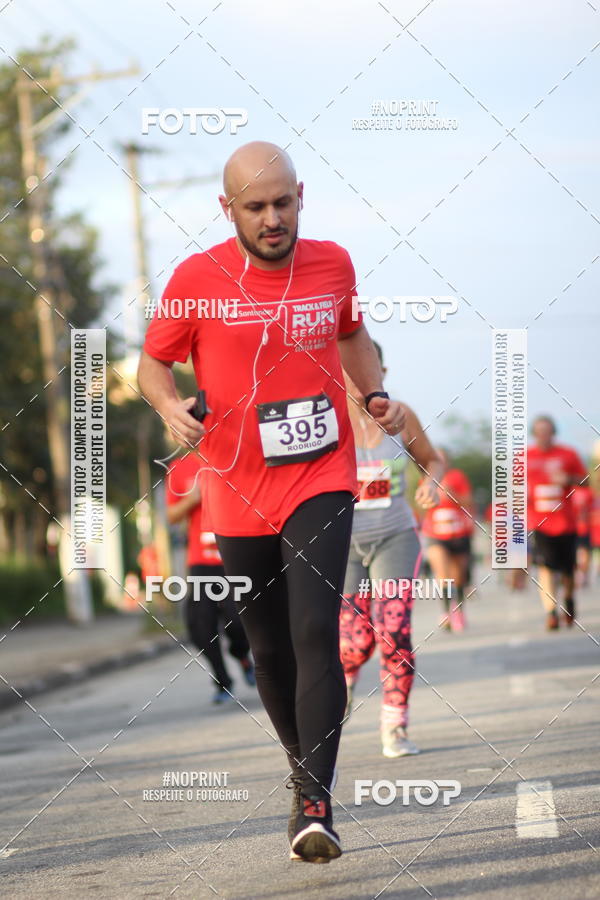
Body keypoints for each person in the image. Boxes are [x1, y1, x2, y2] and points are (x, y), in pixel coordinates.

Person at [137, 141, 406, 864]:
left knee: (317, 629)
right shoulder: (196, 278)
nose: (272, 217)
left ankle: (315, 803)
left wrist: (372, 391)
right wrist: (168, 408)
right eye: (255, 207)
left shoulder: (333, 264)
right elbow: (151, 364)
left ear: (300, 196)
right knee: (268, 649)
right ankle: (301, 774)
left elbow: (350, 333)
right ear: (226, 209)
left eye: (283, 202)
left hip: (320, 472)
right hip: (234, 484)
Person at [339, 342, 442, 757]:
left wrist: (430, 482)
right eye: (346, 372)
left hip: (395, 535)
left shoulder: (399, 416)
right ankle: (341, 687)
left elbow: (432, 459)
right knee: (353, 642)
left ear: (378, 372)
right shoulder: (326, 421)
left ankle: (394, 727)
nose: (355, 382)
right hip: (343, 544)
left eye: (364, 372)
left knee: (394, 630)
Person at [166, 451, 255, 704]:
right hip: (201, 563)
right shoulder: (179, 467)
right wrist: (193, 497)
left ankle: (242, 655)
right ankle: (223, 681)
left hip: (233, 558)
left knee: (238, 623)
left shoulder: (232, 456)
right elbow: (172, 516)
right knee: (200, 628)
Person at [527, 415, 588, 629]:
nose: (543, 435)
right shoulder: (524, 457)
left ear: (553, 432)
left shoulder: (568, 454)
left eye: (547, 431)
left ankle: (569, 599)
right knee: (545, 567)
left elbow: (586, 481)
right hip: (540, 523)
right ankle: (551, 611)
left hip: (566, 522)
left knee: (567, 570)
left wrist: (569, 479)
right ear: (534, 434)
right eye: (539, 432)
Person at [420, 450, 474, 631]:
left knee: (457, 578)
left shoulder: (457, 477)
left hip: (459, 533)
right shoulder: (426, 480)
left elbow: (468, 501)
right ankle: (445, 612)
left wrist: (451, 494)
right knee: (443, 575)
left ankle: (458, 611)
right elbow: (421, 505)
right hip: (436, 535)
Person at [572, 484, 593, 588]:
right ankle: (580, 576)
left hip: (582, 529)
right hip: (575, 529)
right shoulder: (571, 491)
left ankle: (582, 576)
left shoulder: (587, 492)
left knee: (583, 553)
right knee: (581, 553)